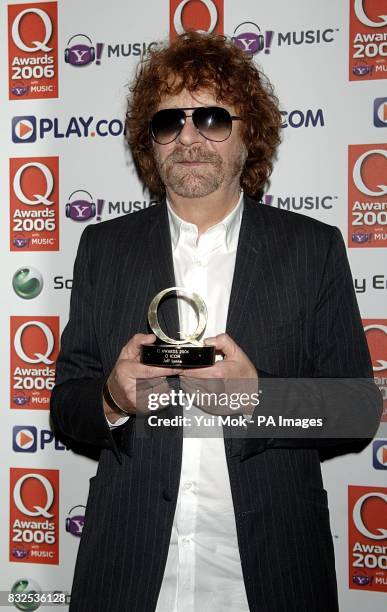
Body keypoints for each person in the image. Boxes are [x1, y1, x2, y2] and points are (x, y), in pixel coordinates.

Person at [50, 32, 382, 612]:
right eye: (168, 122)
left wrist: (259, 400)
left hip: (269, 572)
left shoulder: (312, 248)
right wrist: (111, 398)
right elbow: (66, 403)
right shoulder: (103, 248)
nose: (189, 138)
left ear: (249, 134)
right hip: (129, 569)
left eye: (210, 118)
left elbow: (357, 407)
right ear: (148, 144)